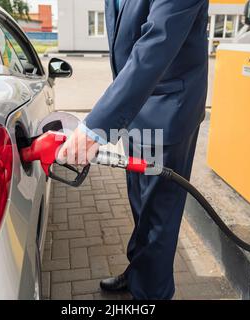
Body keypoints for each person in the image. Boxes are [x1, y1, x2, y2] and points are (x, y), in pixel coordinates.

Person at [59, 0, 209, 300]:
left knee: (157, 220)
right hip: (138, 113)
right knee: (141, 204)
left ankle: (151, 293)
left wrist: (96, 128)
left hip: (165, 115)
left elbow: (156, 45)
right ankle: (139, 273)